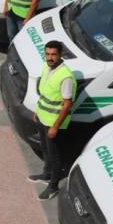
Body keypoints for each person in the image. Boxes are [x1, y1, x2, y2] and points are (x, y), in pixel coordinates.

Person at [30, 40, 75, 200]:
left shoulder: (66, 76)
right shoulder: (46, 66)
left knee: (55, 155)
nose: (50, 57)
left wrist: (55, 126)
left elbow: (67, 104)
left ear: (60, 55)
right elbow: (45, 93)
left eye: (53, 54)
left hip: (53, 123)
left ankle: (53, 186)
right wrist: (37, 110)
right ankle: (46, 174)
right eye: (47, 54)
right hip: (42, 117)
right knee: (45, 149)